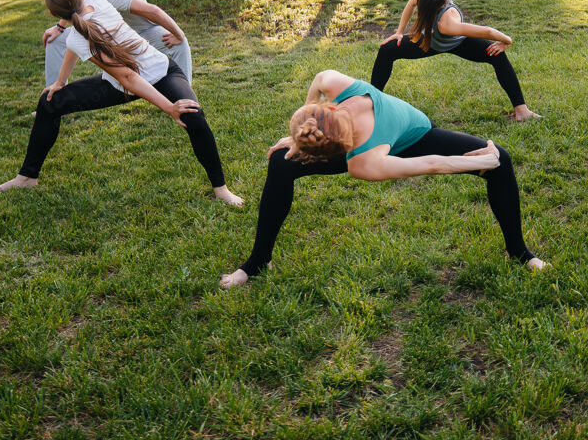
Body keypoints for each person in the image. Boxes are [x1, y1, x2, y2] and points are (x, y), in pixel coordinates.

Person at [219, 69, 546, 288]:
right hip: (375, 143)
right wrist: (299, 133)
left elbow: (432, 162)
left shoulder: (364, 160)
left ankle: (518, 251)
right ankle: (259, 261)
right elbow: (319, 79)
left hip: (418, 135)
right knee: (281, 160)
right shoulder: (338, 93)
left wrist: (488, 160)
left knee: (501, 159)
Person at [0, 0, 243, 206]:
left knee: (193, 116)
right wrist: (61, 81)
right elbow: (124, 76)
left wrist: (171, 107)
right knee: (49, 101)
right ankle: (27, 177)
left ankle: (221, 189)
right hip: (120, 85)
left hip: (162, 72)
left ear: (52, 13)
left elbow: (127, 74)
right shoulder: (91, 4)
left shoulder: (88, 12)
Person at [372, 0, 540, 121]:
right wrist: (399, 32)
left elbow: (487, 31)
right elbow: (411, 3)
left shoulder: (448, 25)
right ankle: (373, 104)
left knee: (496, 54)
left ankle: (522, 110)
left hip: (458, 43)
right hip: (430, 41)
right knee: (388, 49)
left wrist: (507, 41)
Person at [42, 0, 192, 86]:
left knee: (181, 44)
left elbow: (153, 11)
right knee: (55, 40)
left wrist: (179, 35)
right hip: (116, 32)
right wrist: (59, 28)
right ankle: (53, 96)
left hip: (142, 32)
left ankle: (185, 96)